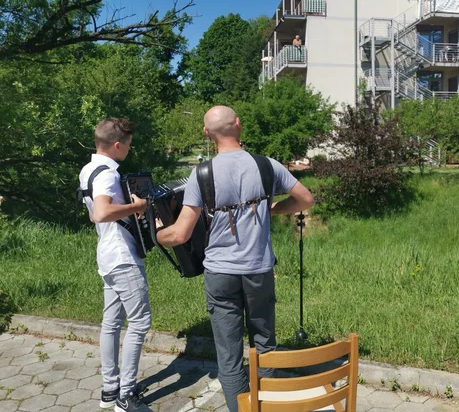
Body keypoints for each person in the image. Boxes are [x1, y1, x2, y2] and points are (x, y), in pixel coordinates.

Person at [156, 106, 315, 412]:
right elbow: (305, 199)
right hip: (259, 270)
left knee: (229, 355)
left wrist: (158, 233)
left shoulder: (201, 174)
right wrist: (271, 208)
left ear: (206, 134)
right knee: (265, 345)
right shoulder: (267, 166)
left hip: (220, 274)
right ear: (239, 126)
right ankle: (267, 406)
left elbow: (180, 235)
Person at [78, 118, 151, 412]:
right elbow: (101, 212)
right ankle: (126, 394)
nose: (129, 150)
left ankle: (109, 391)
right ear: (117, 145)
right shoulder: (107, 173)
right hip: (122, 257)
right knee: (140, 322)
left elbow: (91, 213)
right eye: (129, 145)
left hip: (107, 255)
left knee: (111, 323)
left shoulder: (88, 170)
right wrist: (138, 206)